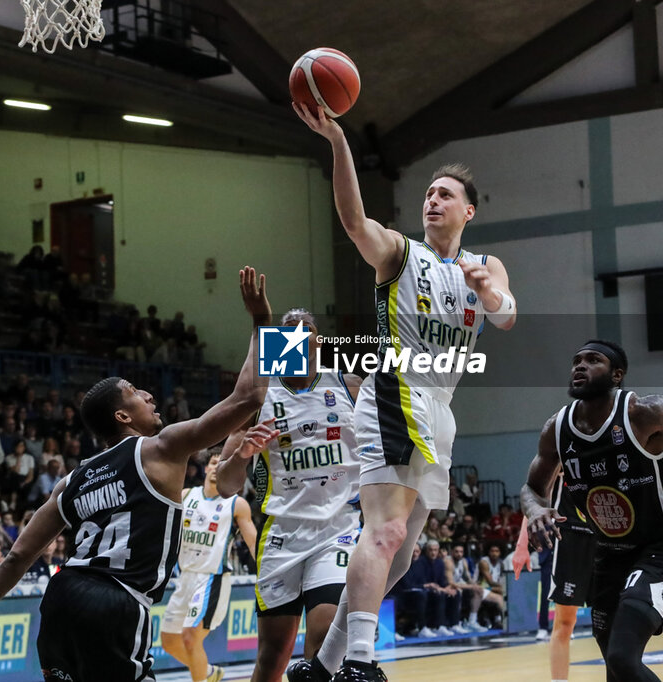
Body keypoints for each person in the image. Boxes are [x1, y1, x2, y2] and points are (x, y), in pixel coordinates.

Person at [0, 267, 270, 681]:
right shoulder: (161, 447)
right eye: (135, 393)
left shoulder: (70, 482)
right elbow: (250, 396)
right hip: (117, 601)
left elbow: (18, 555)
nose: (148, 394)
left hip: (62, 597)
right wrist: (261, 322)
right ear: (123, 416)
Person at [288, 102, 517, 682]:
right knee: (384, 532)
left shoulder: (486, 264)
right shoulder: (399, 252)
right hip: (395, 390)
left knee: (403, 552)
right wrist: (338, 141)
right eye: (429, 193)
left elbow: (508, 316)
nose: (432, 200)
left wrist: (490, 293)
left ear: (468, 210)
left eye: (445, 195)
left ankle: (324, 665)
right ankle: (361, 663)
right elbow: (353, 221)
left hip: (440, 408)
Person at [521, 340, 663, 682]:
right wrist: (535, 511)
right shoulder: (556, 429)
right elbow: (531, 488)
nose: (580, 366)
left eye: (593, 360)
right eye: (576, 360)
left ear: (617, 375)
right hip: (607, 555)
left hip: (662, 547)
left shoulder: (644, 412)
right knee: (615, 670)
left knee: (622, 656)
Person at [217, 305, 362, 682]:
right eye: (287, 330)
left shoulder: (350, 386)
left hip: (337, 531)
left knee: (323, 636)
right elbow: (226, 485)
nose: (297, 334)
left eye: (306, 328)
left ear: (319, 341)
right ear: (274, 343)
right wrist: (242, 453)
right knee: (272, 660)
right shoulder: (258, 399)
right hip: (282, 535)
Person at [160, 450, 257, 682]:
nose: (217, 468)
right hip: (185, 577)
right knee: (169, 641)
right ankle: (208, 672)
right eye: (214, 463)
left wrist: (266, 575)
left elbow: (254, 543)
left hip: (212, 579)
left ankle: (201, 679)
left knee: (191, 637)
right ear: (206, 468)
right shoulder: (186, 496)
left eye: (223, 465)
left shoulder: (236, 504)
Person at [542, 472, 597, 678]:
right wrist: (521, 546)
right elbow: (535, 491)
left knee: (610, 619)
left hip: (605, 536)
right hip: (570, 538)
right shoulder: (559, 445)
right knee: (565, 622)